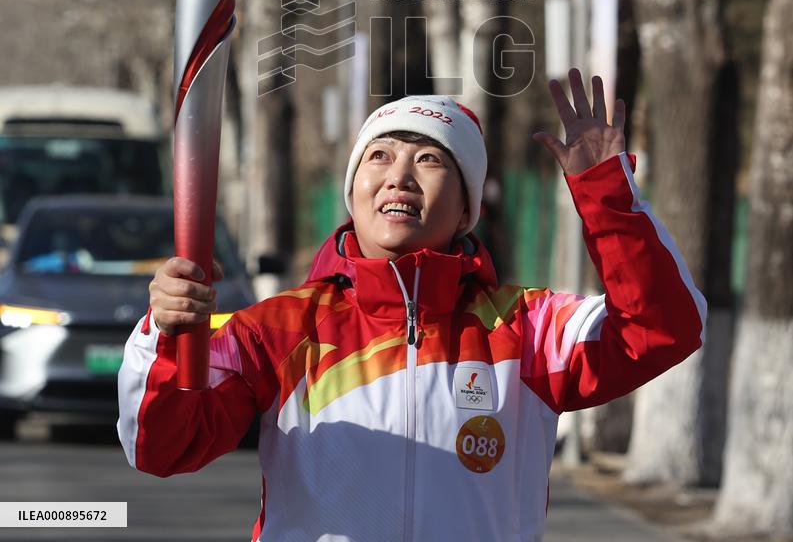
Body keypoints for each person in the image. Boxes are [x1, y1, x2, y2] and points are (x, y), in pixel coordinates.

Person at [117, 70, 707, 541]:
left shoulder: (527, 327)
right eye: (380, 157)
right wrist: (167, 337)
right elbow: (162, 448)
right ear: (352, 193)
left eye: (430, 160)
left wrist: (606, 194)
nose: (399, 177)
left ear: (466, 208)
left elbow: (663, 326)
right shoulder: (280, 328)